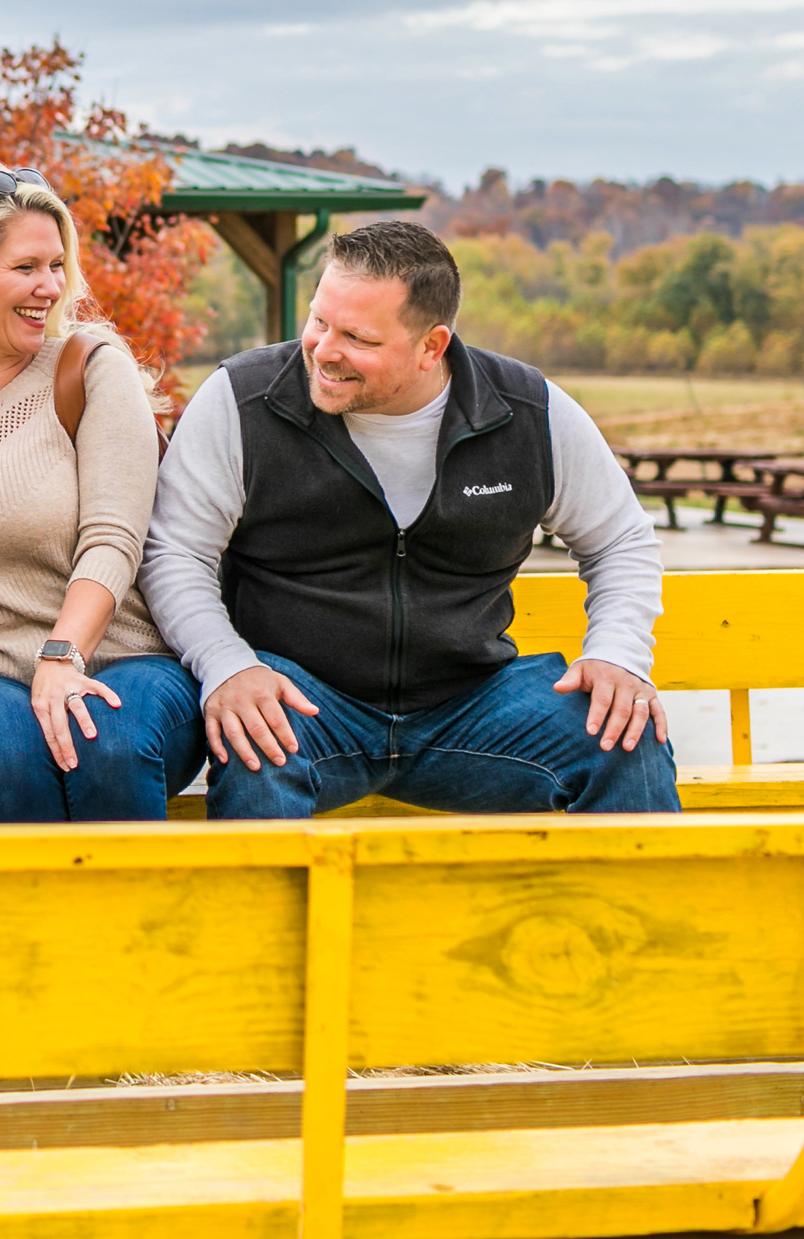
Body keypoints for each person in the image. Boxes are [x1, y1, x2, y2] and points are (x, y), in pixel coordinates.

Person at [139, 218, 675, 818]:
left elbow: (621, 542)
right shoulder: (241, 400)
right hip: (303, 700)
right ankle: (254, 914)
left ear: (432, 346)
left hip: (476, 704)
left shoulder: (529, 412)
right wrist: (227, 665)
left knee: (627, 737)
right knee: (256, 742)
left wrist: (618, 654)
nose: (323, 350)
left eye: (358, 338)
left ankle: (638, 915)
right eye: (319, 320)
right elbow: (175, 552)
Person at [0, 166, 197, 821]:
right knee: (6, 756)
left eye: (56, 264)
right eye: (25, 266)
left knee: (105, 741)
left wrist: (61, 656)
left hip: (123, 659)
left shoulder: (90, 369)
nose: (50, 287)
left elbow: (113, 540)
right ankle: (23, 926)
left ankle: (129, 926)